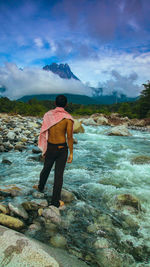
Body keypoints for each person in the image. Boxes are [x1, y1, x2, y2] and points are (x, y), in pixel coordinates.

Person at [37, 95, 74, 208]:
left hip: (51, 147)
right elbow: (70, 137)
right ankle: (55, 202)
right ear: (66, 105)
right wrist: (71, 153)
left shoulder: (48, 115)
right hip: (62, 149)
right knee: (59, 175)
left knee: (46, 168)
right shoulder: (68, 118)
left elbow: (44, 130)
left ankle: (40, 187)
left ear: (55, 103)